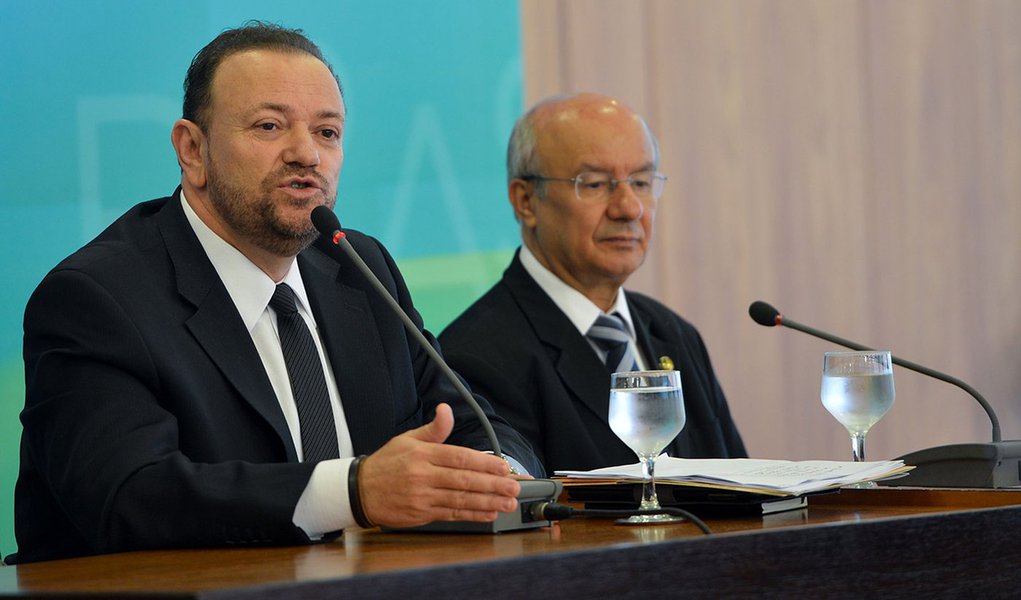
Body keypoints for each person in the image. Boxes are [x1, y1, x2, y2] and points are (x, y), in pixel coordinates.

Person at [11, 22, 540, 565]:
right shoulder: (97, 298)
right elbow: (129, 496)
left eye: (328, 133)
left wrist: (501, 477)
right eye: (269, 126)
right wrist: (354, 491)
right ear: (192, 150)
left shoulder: (358, 267)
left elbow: (470, 418)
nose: (306, 154)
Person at [439, 93, 747, 475]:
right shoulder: (473, 358)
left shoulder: (674, 334)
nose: (629, 208)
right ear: (526, 201)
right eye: (596, 184)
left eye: (640, 181)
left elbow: (743, 489)